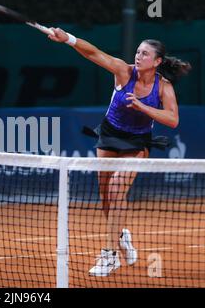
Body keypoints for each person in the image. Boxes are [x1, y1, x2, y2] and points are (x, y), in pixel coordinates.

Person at [48, 28, 191, 277]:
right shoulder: (123, 71)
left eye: (144, 54)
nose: (138, 56)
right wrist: (68, 39)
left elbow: (172, 119)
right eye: (138, 51)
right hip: (109, 136)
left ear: (157, 61)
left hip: (137, 143)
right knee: (105, 197)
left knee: (116, 189)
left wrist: (142, 107)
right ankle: (122, 235)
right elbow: (93, 53)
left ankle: (109, 255)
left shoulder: (163, 87)